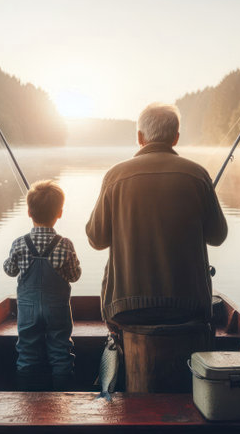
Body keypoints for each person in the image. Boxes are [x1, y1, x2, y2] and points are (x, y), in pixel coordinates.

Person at [86, 103, 227, 330]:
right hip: (189, 309)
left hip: (126, 310)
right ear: (176, 138)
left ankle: (121, 356)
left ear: (140, 137)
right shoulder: (198, 175)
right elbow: (218, 236)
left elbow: (96, 239)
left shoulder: (114, 176)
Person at [4, 180, 81, 391]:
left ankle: (28, 399)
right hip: (57, 308)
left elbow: (10, 270)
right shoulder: (65, 245)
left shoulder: (19, 243)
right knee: (60, 351)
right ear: (60, 213)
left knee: (27, 351)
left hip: (27, 309)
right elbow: (75, 276)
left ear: (29, 212)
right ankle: (62, 397)